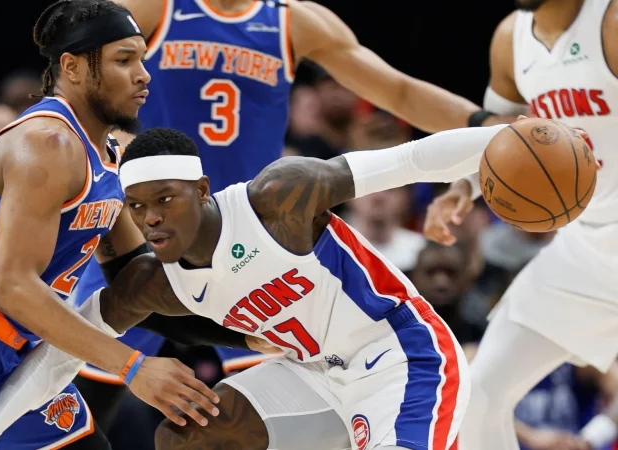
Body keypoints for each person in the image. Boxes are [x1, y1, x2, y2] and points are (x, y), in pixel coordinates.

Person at [0, 120, 579, 450]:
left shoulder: (279, 198)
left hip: (403, 359)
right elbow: (67, 346)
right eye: (138, 207)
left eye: (166, 200)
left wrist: (501, 141)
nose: (151, 218)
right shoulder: (157, 283)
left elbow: (411, 160)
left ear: (201, 191)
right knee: (192, 435)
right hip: (312, 375)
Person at [0, 2, 263, 449]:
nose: (143, 74)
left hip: (19, 350)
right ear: (73, 68)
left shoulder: (109, 156)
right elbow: (13, 287)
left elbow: (140, 288)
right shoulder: (47, 144)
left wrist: (252, 334)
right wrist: (132, 366)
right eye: (123, 60)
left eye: (141, 58)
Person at [75, 0, 514, 425]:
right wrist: (111, 143)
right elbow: (81, 85)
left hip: (249, 242)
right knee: (78, 402)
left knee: (248, 424)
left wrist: (485, 123)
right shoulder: (155, 9)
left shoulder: (293, 22)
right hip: (155, 235)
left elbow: (396, 89)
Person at [422, 0, 618, 449]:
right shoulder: (510, 38)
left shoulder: (610, 22)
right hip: (583, 254)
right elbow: (497, 137)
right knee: (476, 395)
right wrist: (461, 188)